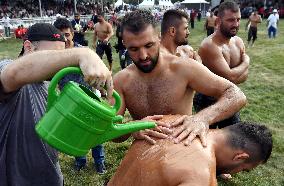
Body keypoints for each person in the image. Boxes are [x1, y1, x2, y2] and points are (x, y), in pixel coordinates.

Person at [113, 10, 246, 147]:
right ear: (124, 44)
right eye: (134, 49)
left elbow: (236, 95)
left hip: (184, 152)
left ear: (159, 37)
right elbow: (112, 133)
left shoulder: (184, 69)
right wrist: (132, 127)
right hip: (145, 157)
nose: (143, 56)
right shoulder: (121, 81)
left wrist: (202, 118)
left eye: (149, 45)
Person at [0, 23, 113, 186]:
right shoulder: (8, 69)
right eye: (53, 55)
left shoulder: (49, 85)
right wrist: (83, 53)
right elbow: (12, 73)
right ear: (28, 47)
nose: (59, 63)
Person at [108, 115, 273, 186]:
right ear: (240, 157)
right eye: (244, 170)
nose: (237, 173)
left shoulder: (174, 121)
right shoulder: (201, 177)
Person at [53, 18, 107, 174]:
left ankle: (99, 161)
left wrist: (100, 91)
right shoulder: (54, 57)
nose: (65, 39)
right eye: (61, 36)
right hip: (69, 100)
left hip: (88, 97)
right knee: (76, 132)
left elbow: (97, 73)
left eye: (67, 34)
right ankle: (80, 160)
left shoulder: (83, 53)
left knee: (94, 131)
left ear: (72, 33)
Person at [196, 1, 250, 129]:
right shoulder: (210, 45)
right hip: (207, 100)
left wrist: (235, 74)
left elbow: (244, 76)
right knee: (207, 140)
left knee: (233, 137)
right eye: (231, 20)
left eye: (238, 19)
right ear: (218, 21)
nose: (236, 24)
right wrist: (246, 62)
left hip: (230, 96)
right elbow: (231, 78)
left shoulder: (238, 42)